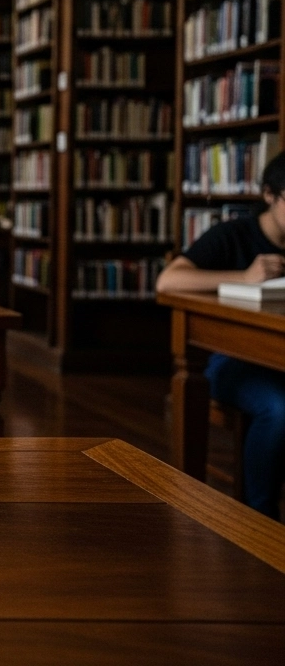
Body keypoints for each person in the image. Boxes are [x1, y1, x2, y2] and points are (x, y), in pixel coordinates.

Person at [156, 151, 285, 519]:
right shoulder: (232, 235)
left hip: (279, 358)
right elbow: (168, 281)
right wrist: (242, 277)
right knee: (278, 410)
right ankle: (260, 518)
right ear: (269, 195)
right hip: (231, 359)